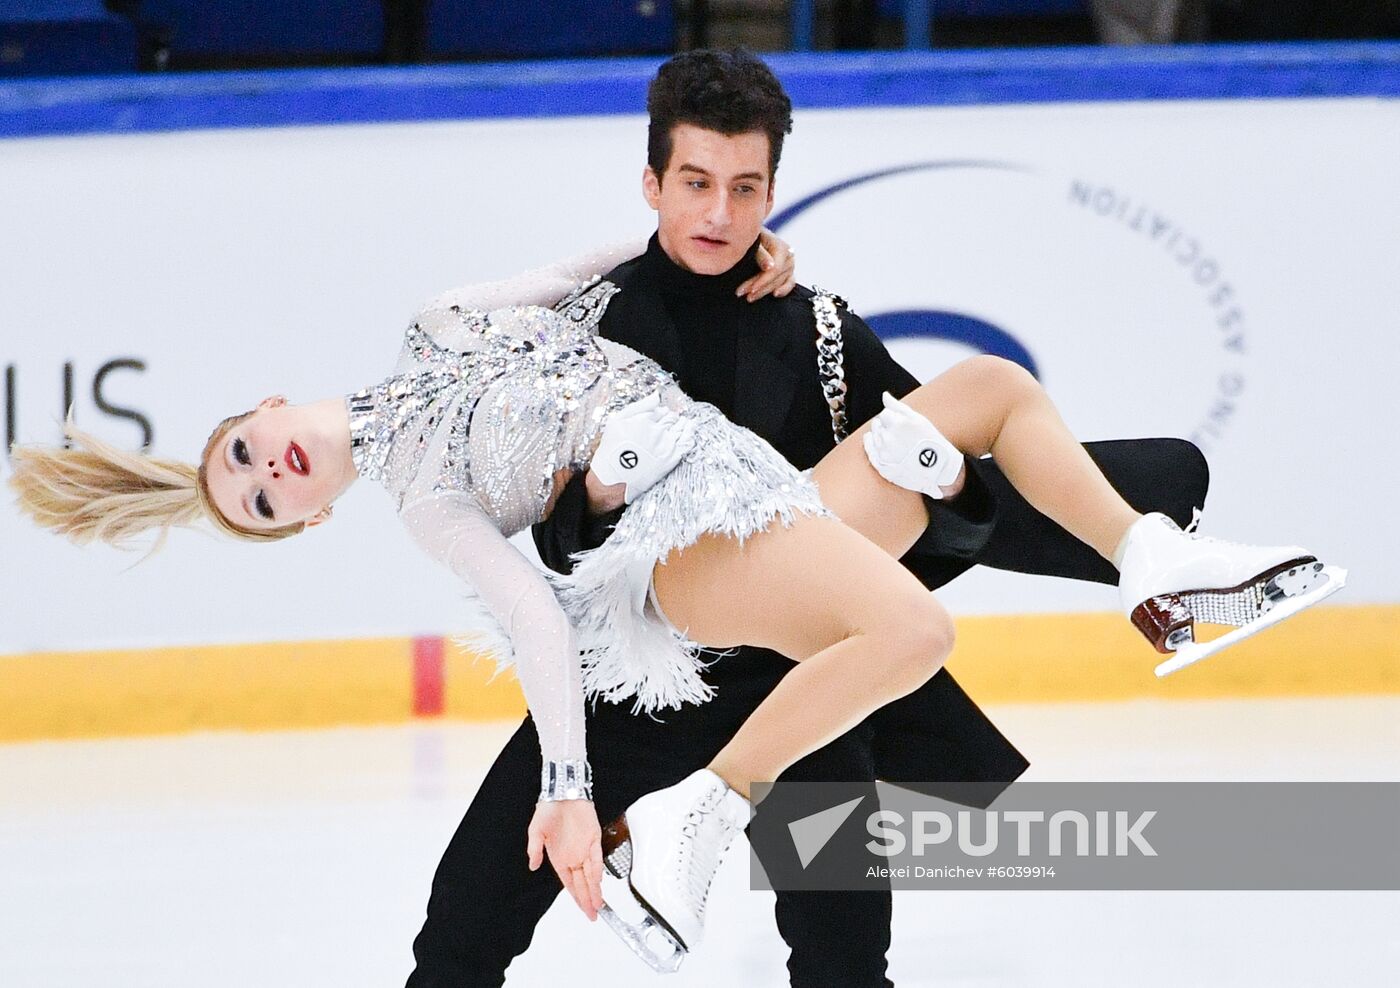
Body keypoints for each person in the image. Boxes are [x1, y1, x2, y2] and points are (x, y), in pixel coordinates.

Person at [9, 56, 1341, 985]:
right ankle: (700, 810)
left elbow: (934, 477)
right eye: (694, 184)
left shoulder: (782, 319)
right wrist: (572, 775)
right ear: (651, 183)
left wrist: (916, 443)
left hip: (796, 627)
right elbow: (547, 589)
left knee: (845, 945)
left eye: (744, 189)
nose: (719, 213)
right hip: (656, 645)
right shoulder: (522, 396)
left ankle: (1157, 568)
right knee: (468, 921)